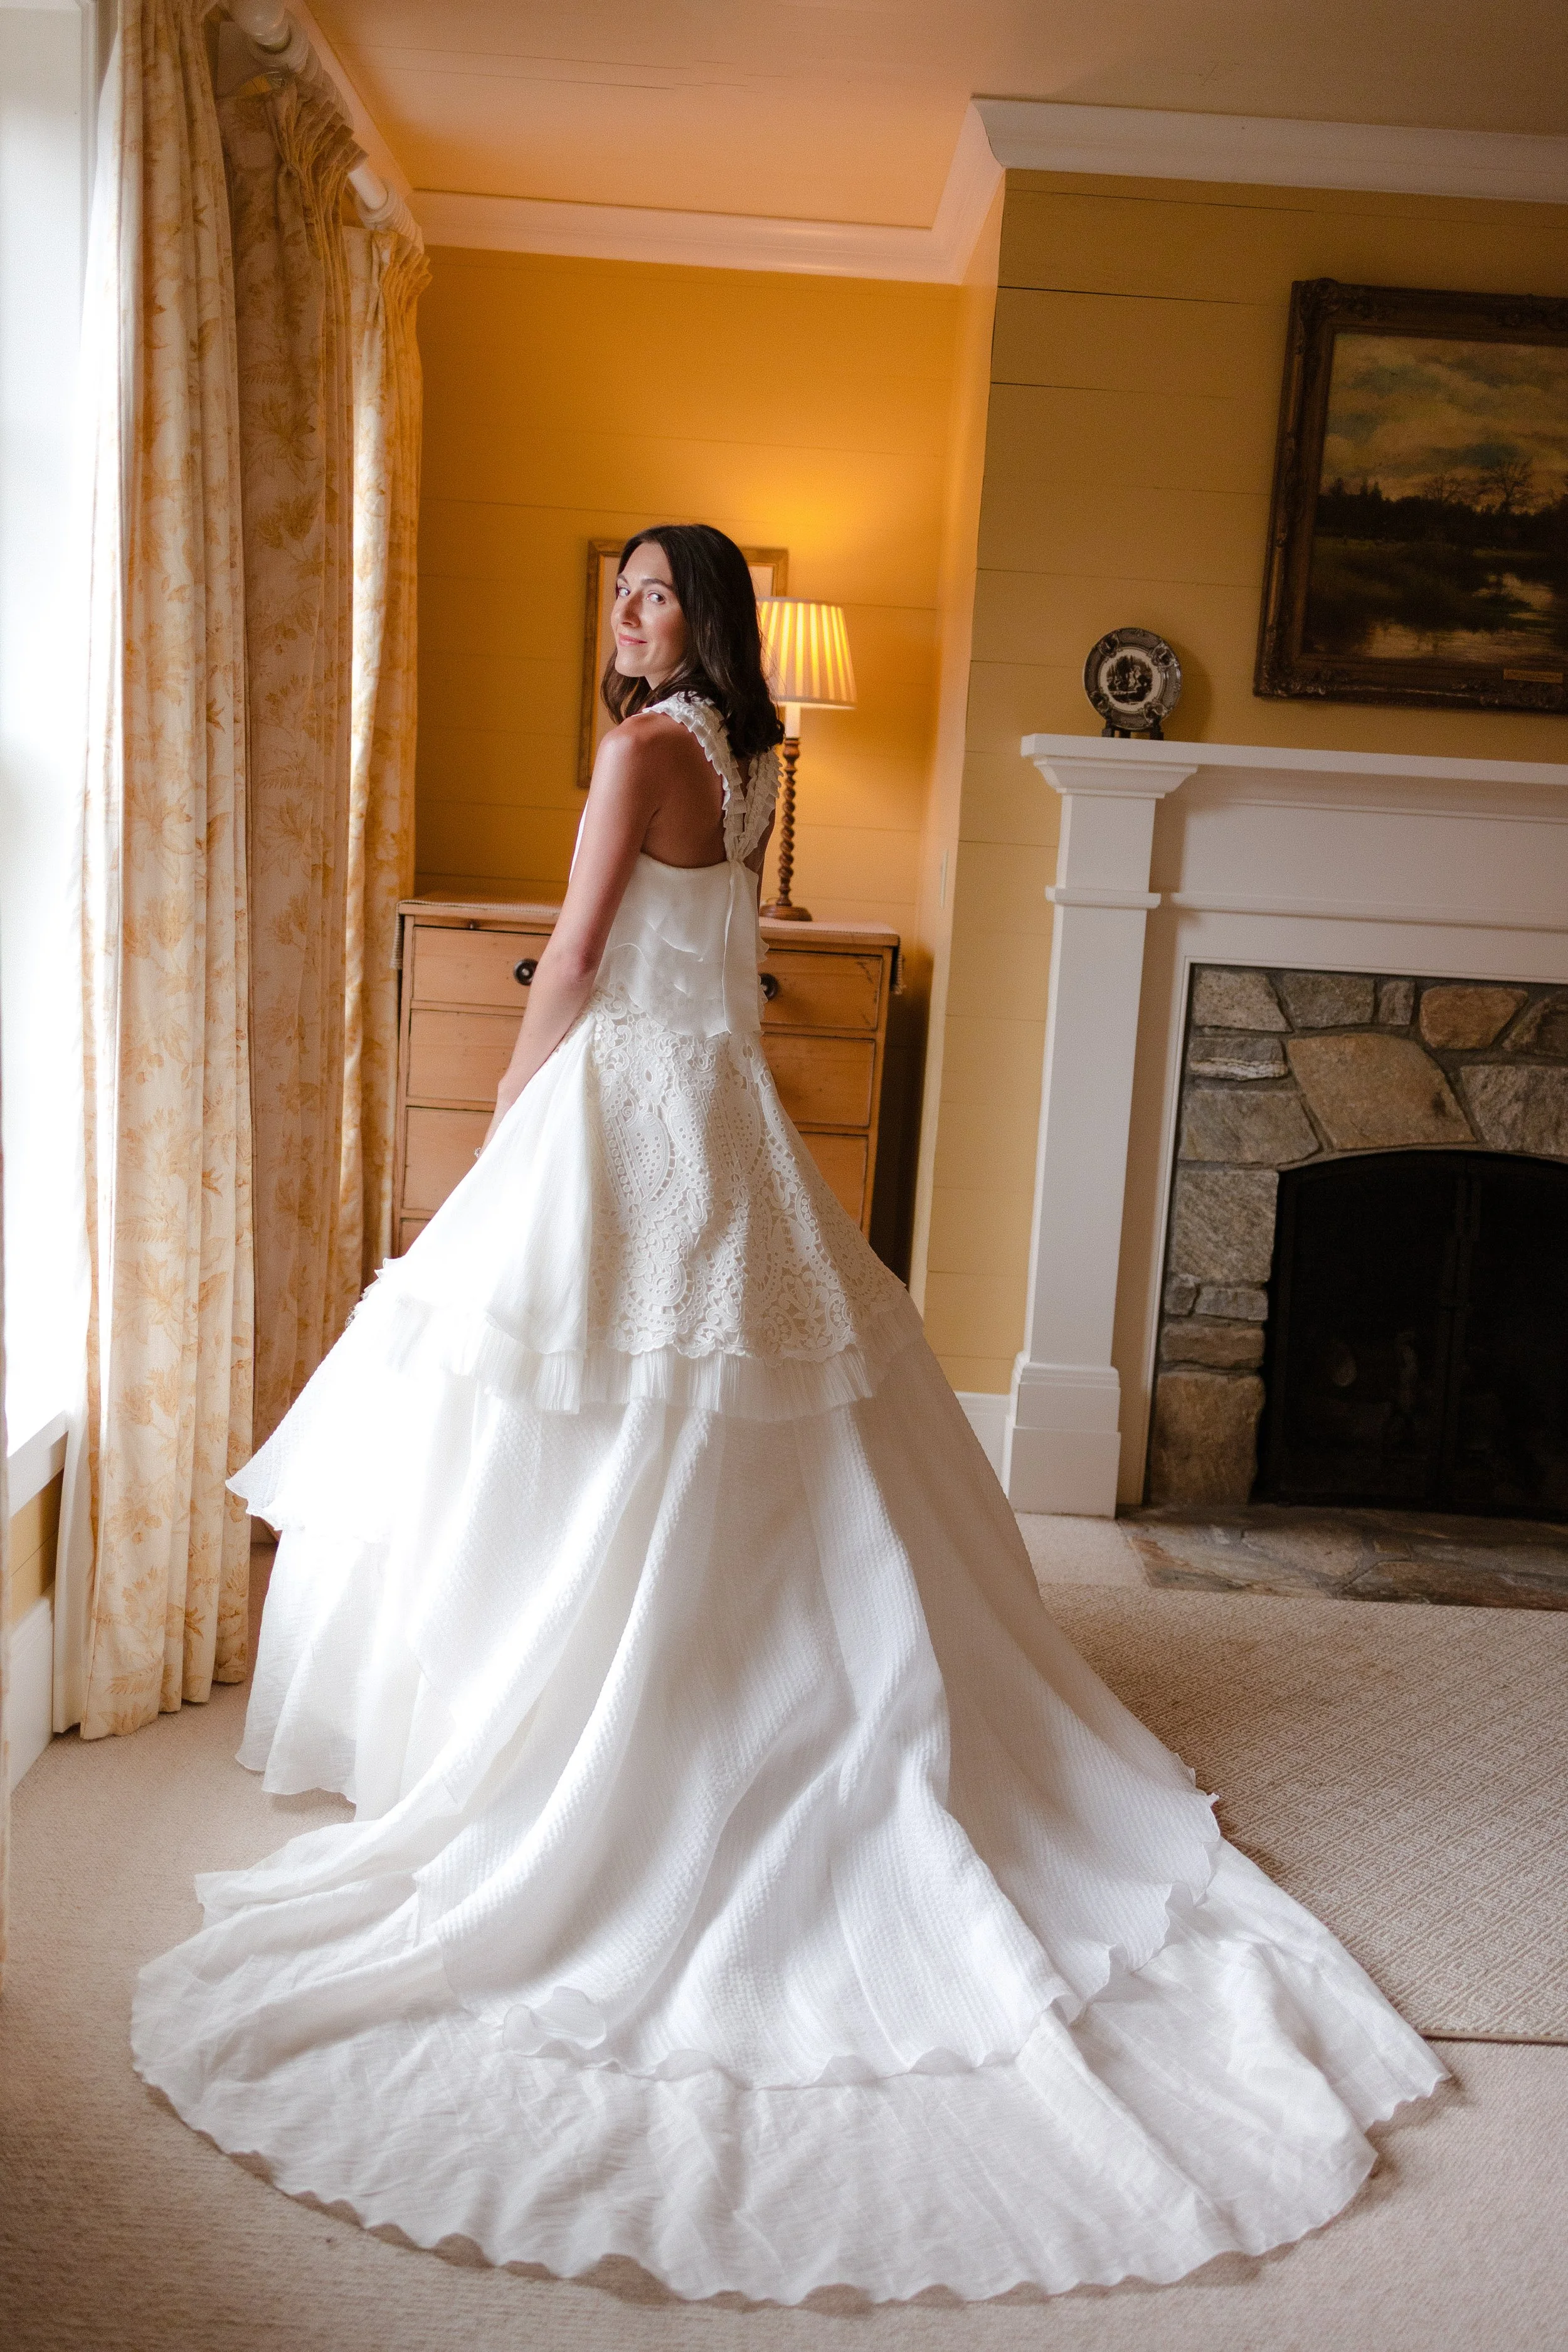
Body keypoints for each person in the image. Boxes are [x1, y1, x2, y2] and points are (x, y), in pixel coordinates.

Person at [132, 523, 1441, 2304]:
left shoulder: (640, 749)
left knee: (564, 1407)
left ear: (706, 622)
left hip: (630, 1104)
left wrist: (504, 1123)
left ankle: (566, 1721)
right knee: (691, 1418)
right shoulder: (752, 756)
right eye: (623, 589)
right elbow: (710, 950)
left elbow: (576, 953)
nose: (630, 614)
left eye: (657, 594)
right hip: (722, 1114)